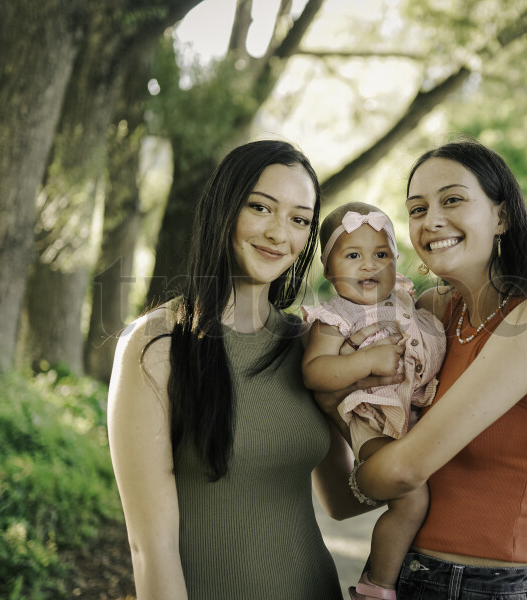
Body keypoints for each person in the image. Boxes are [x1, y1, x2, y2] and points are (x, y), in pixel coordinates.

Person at [315, 138, 527, 599]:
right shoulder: (429, 314)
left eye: (452, 200)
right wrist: (334, 396)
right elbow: (340, 500)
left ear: (501, 217)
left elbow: (401, 472)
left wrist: (336, 403)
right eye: (417, 209)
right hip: (399, 573)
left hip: (481, 587)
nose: (431, 220)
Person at [106, 140, 399, 599]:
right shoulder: (155, 345)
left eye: (299, 220)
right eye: (261, 208)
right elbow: (151, 550)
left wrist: (425, 457)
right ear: (223, 209)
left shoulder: (309, 345)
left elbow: (342, 498)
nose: (279, 234)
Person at [301, 202, 446, 600]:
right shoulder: (334, 317)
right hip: (372, 424)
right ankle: (377, 585)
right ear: (328, 270)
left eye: (381, 254)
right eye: (353, 256)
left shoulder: (404, 301)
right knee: (411, 500)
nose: (369, 265)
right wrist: (365, 361)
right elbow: (315, 372)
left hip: (412, 417)